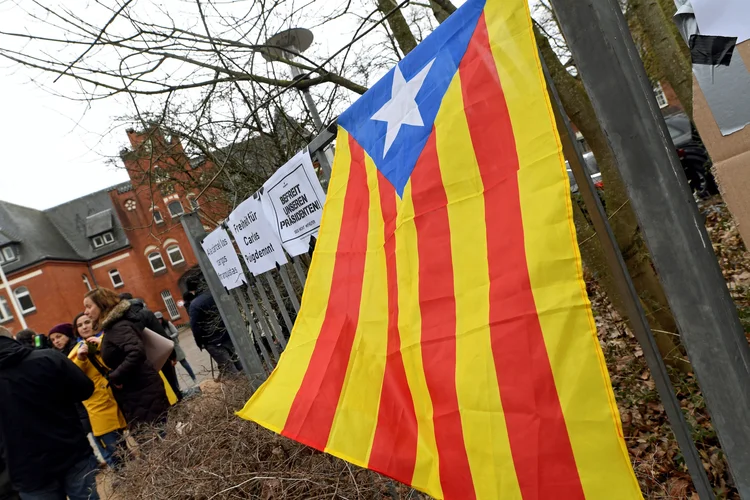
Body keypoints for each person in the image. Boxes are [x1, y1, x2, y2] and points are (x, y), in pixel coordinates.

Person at [0, 326, 99, 500]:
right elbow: (85, 389)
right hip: (71, 451)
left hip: (26, 468)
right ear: (11, 338)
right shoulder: (48, 357)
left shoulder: (46, 357)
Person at [83, 288, 170, 428]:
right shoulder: (113, 327)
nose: (86, 312)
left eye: (89, 306)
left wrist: (116, 375)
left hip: (142, 392)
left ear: (102, 304)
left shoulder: (118, 327)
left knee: (157, 435)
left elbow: (136, 352)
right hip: (138, 392)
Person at [69, 313, 128, 469]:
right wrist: (81, 359)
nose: (84, 327)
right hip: (99, 407)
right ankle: (125, 479)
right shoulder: (74, 353)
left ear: (94, 323)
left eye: (87, 322)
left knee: (130, 442)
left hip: (118, 398)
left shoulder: (105, 341)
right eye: (80, 325)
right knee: (116, 450)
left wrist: (101, 345)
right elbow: (72, 377)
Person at [48, 324, 103, 466]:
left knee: (102, 433)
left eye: (59, 337)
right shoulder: (55, 355)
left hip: (92, 396)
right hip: (77, 403)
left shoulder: (80, 347)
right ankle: (100, 458)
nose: (56, 341)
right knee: (91, 433)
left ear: (68, 334)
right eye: (53, 340)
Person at [118, 293, 182, 401]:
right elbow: (162, 335)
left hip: (142, 362)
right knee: (172, 385)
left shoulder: (122, 321)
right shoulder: (146, 313)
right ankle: (179, 406)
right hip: (161, 356)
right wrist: (172, 355)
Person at [187, 278, 242, 378]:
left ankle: (246, 387)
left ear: (191, 291)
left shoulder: (194, 305)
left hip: (212, 341)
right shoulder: (215, 294)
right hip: (227, 334)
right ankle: (249, 380)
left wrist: (200, 343)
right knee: (237, 361)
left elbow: (195, 326)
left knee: (230, 370)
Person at [155, 311, 196, 383]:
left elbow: (176, 332)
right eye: (157, 319)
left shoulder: (167, 324)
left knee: (184, 362)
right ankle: (177, 385)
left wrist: (169, 338)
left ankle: (194, 378)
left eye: (159, 319)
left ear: (162, 318)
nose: (159, 321)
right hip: (166, 349)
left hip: (175, 346)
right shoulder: (156, 328)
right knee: (172, 369)